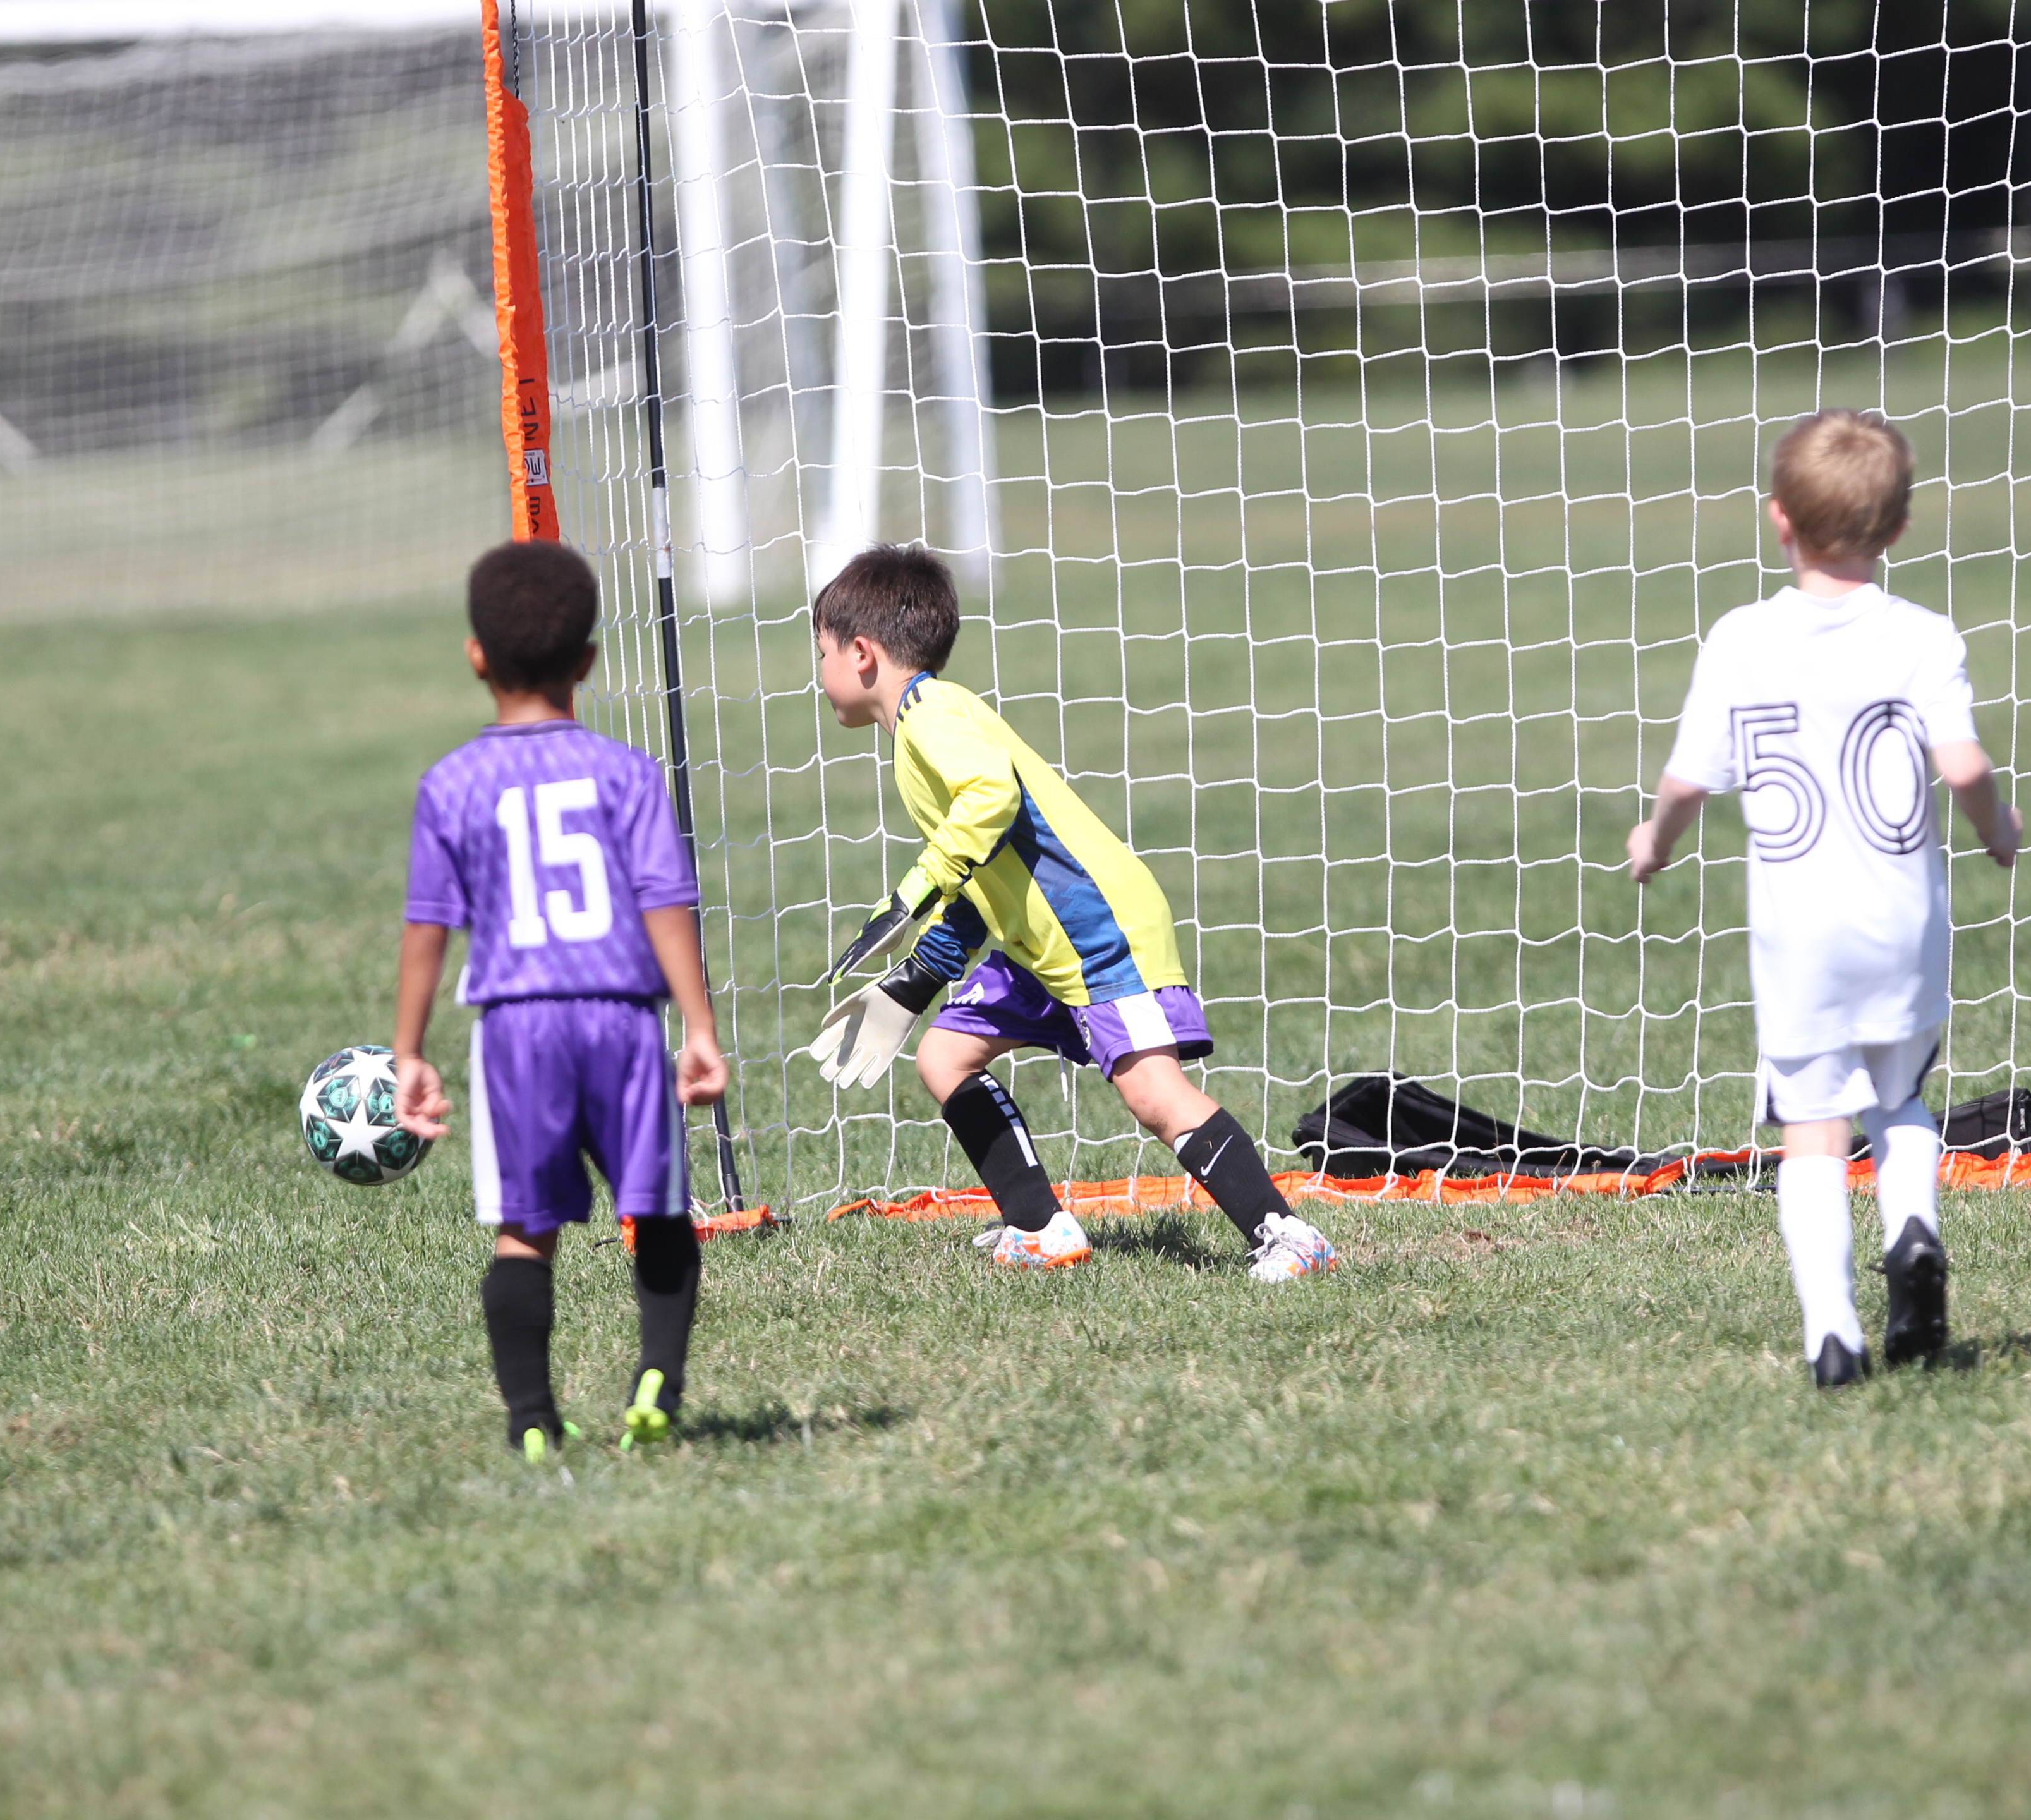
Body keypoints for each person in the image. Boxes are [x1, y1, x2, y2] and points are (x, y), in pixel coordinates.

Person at [801, 543, 1336, 1281]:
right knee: (944, 1054)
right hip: (1039, 944)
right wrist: (917, 980)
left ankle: (1289, 1236)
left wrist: (913, 890)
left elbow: (991, 797)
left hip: (1096, 931)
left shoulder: (930, 717)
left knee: (1152, 1094)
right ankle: (1040, 1227)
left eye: (821, 653)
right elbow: (982, 868)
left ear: (861, 653)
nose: (819, 671)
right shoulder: (927, 726)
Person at [1628, 412, 2022, 1387]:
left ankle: (1832, 1334)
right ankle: (1914, 1228)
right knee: (1900, 1099)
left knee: (1811, 1133)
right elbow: (1964, 765)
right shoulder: (1921, 635)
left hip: (1800, 935)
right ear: (1898, 528)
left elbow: (1688, 781)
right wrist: (1996, 827)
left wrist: (1654, 841)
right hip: (1901, 923)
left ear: (1779, 520)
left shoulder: (1742, 637)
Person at [391, 539, 729, 1459]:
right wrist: (698, 1026)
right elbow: (666, 901)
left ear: (476, 656)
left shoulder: (450, 785)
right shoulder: (628, 774)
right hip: (622, 1019)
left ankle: (533, 1420)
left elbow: (427, 927)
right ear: (587, 660)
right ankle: (657, 1380)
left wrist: (410, 1051)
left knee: (525, 1231)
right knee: (657, 1209)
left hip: (519, 1029)